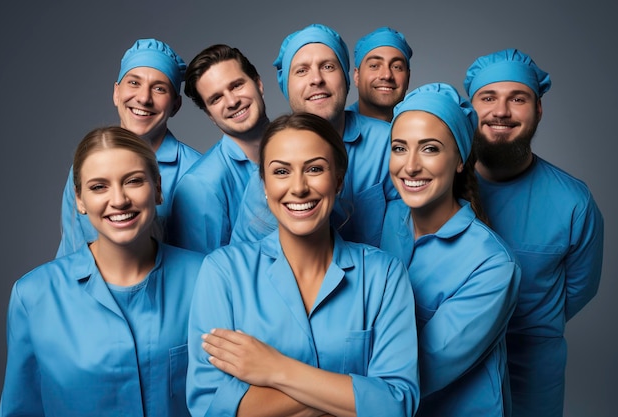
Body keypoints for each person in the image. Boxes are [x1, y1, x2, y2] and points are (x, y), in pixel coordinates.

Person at [186, 112, 420, 416]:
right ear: (265, 185)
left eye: (314, 169)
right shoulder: (223, 272)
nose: (298, 187)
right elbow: (212, 407)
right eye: (281, 171)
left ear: (337, 181)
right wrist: (353, 393)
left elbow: (395, 404)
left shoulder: (384, 275)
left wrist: (275, 369)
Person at [0, 127, 205, 416]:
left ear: (157, 188)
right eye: (99, 187)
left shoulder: (206, 278)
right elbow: (21, 409)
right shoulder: (33, 296)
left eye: (133, 181)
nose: (119, 200)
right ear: (80, 199)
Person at [464, 48, 604, 417]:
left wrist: (529, 324)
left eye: (518, 98)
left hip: (534, 369)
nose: (501, 111)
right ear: (469, 109)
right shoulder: (440, 189)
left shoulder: (573, 201)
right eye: (488, 97)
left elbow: (579, 289)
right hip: (455, 366)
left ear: (538, 110)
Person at [380, 82, 520, 416]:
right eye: (399, 148)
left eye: (429, 149)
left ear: (460, 159)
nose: (410, 166)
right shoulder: (392, 217)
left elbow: (417, 373)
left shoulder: (493, 265)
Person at [231, 23, 397, 247]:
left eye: (328, 66)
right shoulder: (269, 169)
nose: (316, 79)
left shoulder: (388, 143)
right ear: (286, 87)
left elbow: (407, 234)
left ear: (347, 79)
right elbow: (245, 255)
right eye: (301, 70)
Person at [56, 38, 203, 257]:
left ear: (175, 105)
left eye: (159, 88)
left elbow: (207, 268)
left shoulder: (199, 174)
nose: (144, 98)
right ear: (116, 93)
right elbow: (72, 252)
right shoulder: (88, 166)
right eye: (134, 83)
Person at [165, 44, 269, 254]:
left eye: (237, 85)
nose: (232, 101)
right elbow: (204, 277)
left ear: (258, 83)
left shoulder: (303, 147)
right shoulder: (199, 186)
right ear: (210, 115)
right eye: (216, 98)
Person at [348, 26, 412, 122]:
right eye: (374, 66)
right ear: (357, 76)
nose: (386, 75)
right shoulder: (332, 131)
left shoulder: (423, 130)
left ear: (408, 78)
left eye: (396, 67)